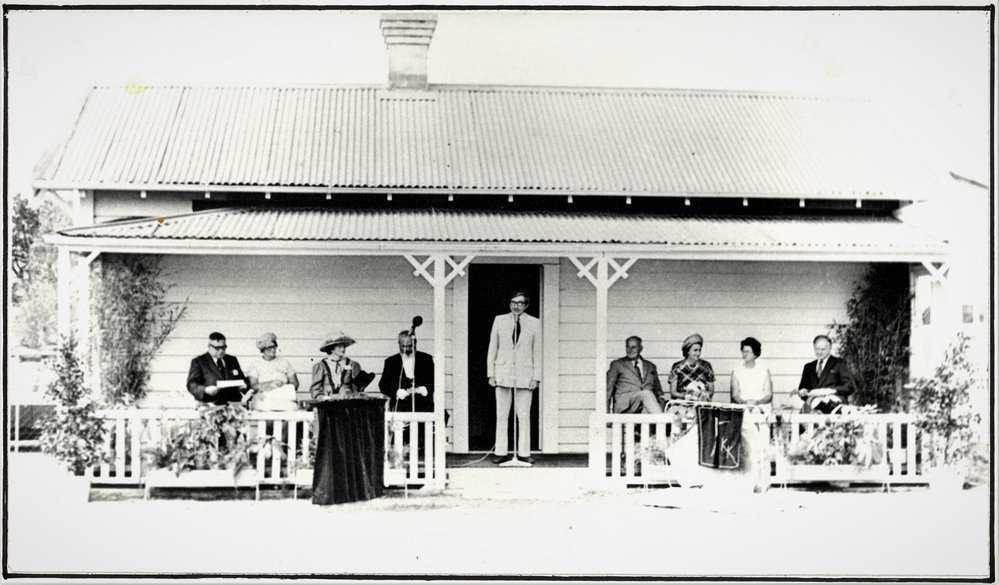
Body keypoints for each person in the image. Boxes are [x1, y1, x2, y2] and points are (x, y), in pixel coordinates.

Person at [486, 291, 542, 465]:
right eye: (513, 302)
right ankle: (501, 451)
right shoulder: (499, 320)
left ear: (526, 305)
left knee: (523, 415)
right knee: (502, 414)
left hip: (525, 375)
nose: (515, 306)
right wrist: (491, 373)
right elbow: (492, 347)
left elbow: (537, 351)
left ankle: (524, 453)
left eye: (520, 303)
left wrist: (536, 376)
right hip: (503, 372)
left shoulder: (534, 323)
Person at [796, 334, 855, 414]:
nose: (819, 352)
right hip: (813, 407)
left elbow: (850, 386)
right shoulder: (808, 367)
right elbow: (803, 388)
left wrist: (829, 391)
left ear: (830, 348)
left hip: (835, 407)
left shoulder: (839, 363)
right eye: (817, 349)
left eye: (823, 349)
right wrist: (803, 392)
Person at [379, 330, 435, 412]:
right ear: (399, 344)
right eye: (404, 346)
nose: (408, 349)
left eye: (410, 346)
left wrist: (426, 389)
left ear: (415, 343)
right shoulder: (391, 362)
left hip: (424, 406)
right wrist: (396, 392)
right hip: (401, 407)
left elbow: (435, 380)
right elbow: (383, 385)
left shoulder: (426, 359)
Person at [186, 331, 249, 404]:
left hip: (234, 404)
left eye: (223, 347)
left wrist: (244, 386)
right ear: (209, 347)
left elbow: (242, 379)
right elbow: (191, 384)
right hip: (211, 405)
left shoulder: (232, 360)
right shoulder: (199, 362)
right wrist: (205, 390)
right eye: (217, 348)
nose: (221, 351)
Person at [606, 336, 664, 414]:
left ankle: (659, 422)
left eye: (633, 347)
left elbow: (659, 393)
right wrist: (606, 416)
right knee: (646, 394)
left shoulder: (650, 366)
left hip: (645, 407)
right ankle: (663, 421)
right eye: (627, 347)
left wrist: (661, 405)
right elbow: (607, 391)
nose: (630, 350)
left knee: (647, 406)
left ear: (641, 348)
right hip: (625, 407)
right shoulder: (617, 364)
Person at [244, 333, 300, 411]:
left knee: (291, 411)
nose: (273, 350)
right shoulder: (255, 365)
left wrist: (285, 390)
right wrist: (270, 384)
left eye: (274, 347)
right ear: (262, 350)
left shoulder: (284, 362)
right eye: (269, 348)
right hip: (263, 398)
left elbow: (295, 382)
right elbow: (253, 386)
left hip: (284, 397)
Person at [310, 331, 374, 398]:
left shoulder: (353, 365)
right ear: (332, 348)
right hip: (326, 404)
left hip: (347, 404)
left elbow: (358, 388)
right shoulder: (320, 366)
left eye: (344, 346)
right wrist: (321, 397)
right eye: (339, 346)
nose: (343, 349)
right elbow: (315, 389)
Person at [730, 336, 773, 412]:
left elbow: (768, 395)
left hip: (761, 406)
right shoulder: (736, 371)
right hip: (743, 407)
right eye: (743, 351)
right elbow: (735, 395)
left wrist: (757, 402)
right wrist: (744, 403)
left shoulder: (764, 370)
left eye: (748, 352)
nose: (745, 354)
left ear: (755, 354)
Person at [668, 333, 715, 401]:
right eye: (695, 350)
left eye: (699, 350)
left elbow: (711, 391)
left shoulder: (706, 366)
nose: (698, 353)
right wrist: (688, 396)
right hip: (683, 403)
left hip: (702, 402)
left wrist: (702, 395)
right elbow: (673, 393)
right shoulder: (677, 367)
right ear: (687, 351)